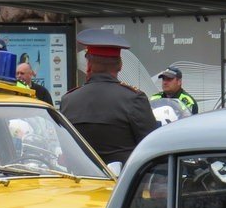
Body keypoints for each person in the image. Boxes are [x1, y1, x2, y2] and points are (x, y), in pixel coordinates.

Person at [59, 29, 157, 168]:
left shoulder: (68, 100)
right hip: (123, 184)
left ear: (89, 65)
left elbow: (66, 149)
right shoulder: (133, 98)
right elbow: (150, 146)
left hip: (82, 183)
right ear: (120, 65)